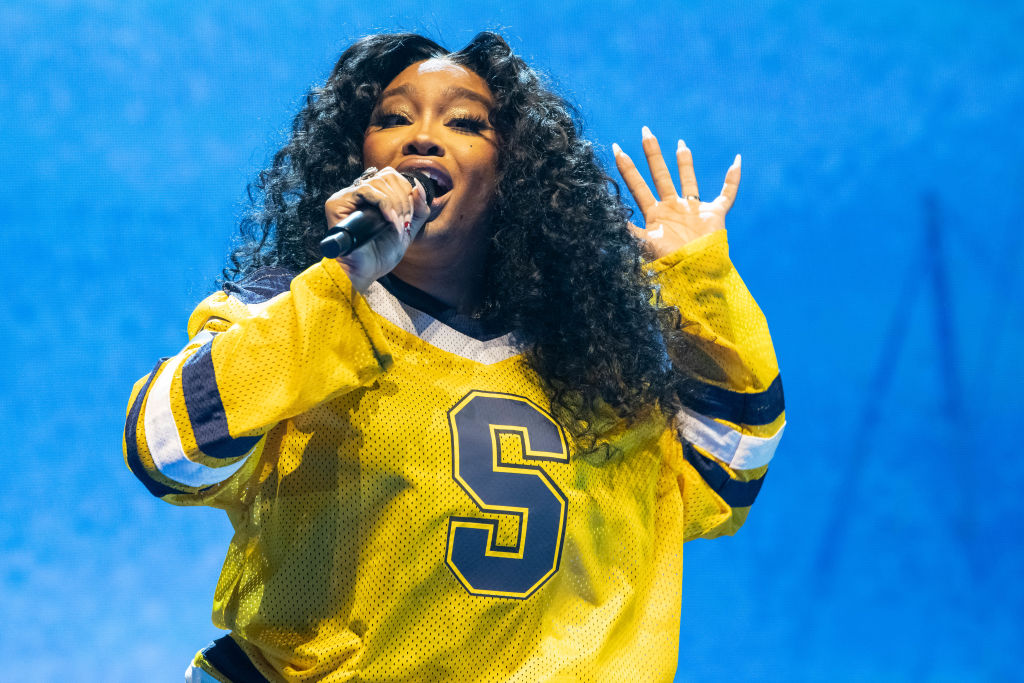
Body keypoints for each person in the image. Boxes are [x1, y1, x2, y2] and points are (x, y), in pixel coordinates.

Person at [122, 31, 784, 682]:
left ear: (512, 172)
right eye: (394, 118)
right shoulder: (290, 313)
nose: (421, 136)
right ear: (358, 156)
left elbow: (726, 469)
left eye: (465, 122)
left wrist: (698, 281)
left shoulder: (591, 361)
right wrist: (339, 284)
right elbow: (165, 448)